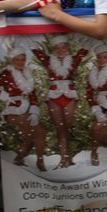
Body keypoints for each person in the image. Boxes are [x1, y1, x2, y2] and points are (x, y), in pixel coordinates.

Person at [31, 36, 87, 170]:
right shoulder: (49, 61)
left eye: (63, 47)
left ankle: (68, 157)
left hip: (69, 95)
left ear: (67, 48)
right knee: (60, 128)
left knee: (67, 127)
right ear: (53, 50)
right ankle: (63, 159)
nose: (60, 50)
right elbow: (36, 51)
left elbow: (84, 50)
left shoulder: (73, 60)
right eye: (57, 48)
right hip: (54, 96)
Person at [0, 46, 47, 171]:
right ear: (12, 61)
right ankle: (40, 162)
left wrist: (34, 112)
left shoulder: (28, 74)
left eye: (23, 59)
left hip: (27, 109)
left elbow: (32, 95)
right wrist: (5, 97)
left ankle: (19, 158)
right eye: (17, 60)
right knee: (40, 132)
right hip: (13, 110)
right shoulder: (7, 73)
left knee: (30, 138)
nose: (20, 62)